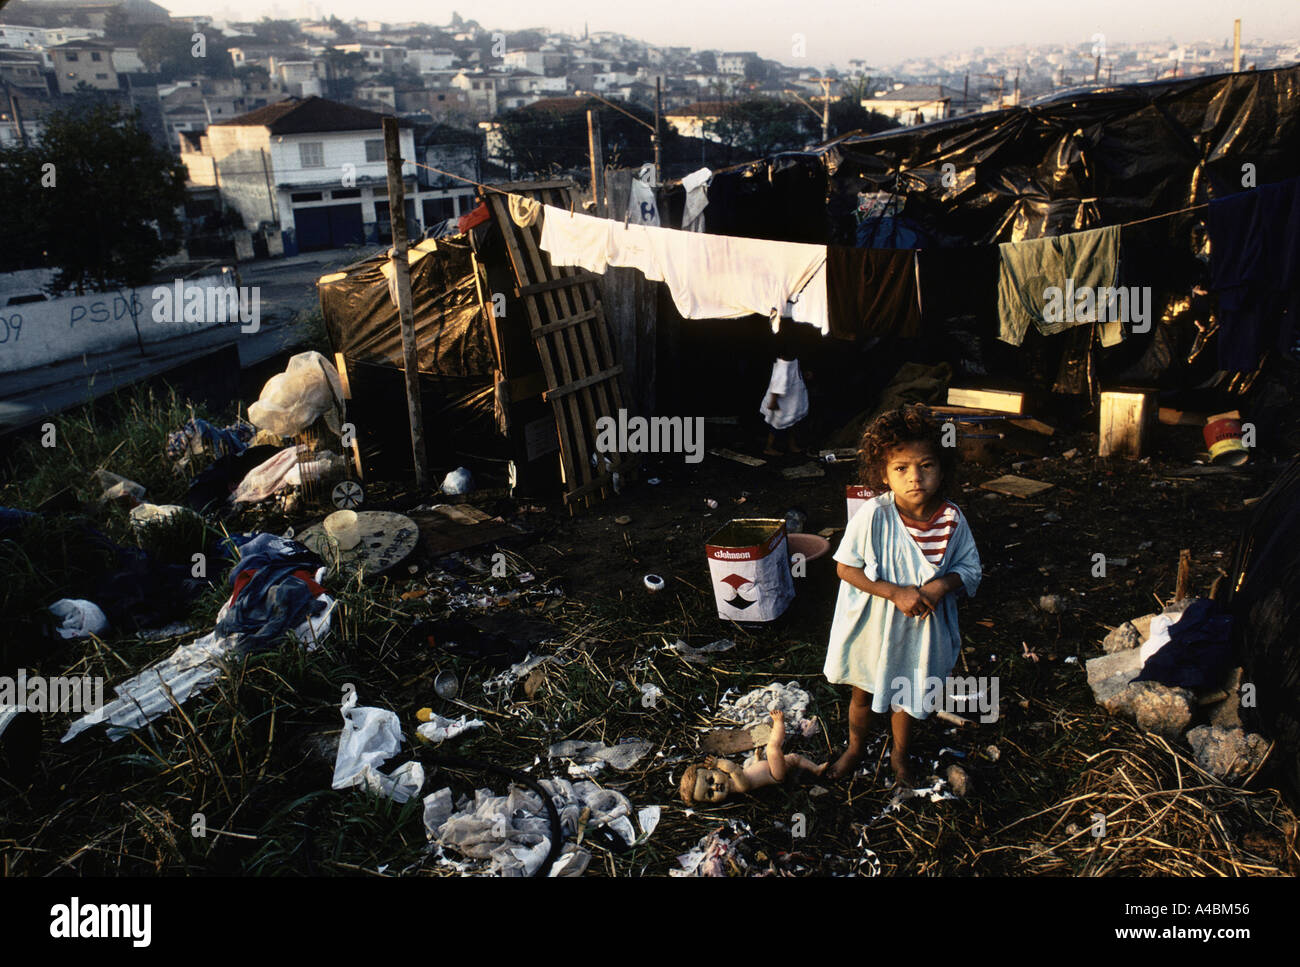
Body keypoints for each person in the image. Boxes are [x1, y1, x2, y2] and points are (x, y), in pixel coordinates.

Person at [822, 404, 981, 786]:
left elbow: (970, 568)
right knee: (862, 693)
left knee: (905, 698)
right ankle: (855, 749)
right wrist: (894, 592)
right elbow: (845, 567)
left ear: (942, 468)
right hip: (874, 625)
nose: (915, 478)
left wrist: (941, 585)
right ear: (883, 473)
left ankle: (899, 758)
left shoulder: (952, 520)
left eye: (926, 465)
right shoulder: (873, 515)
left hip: (919, 631)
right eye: (901, 469)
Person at [679, 709, 826, 804]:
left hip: (768, 768)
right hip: (774, 775)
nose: (715, 787)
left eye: (710, 780)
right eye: (710, 793)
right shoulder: (738, 786)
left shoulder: (733, 781)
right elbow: (735, 771)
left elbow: (750, 772)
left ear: (713, 772)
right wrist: (719, 763)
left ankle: (816, 769)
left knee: (794, 758)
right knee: (773, 748)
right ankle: (779, 724)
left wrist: (757, 760)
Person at [760, 319, 809, 456]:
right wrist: (774, 400)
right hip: (783, 402)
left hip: (792, 400)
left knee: (792, 423)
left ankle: (792, 444)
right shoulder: (783, 365)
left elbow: (794, 374)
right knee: (776, 425)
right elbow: (778, 384)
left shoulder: (793, 361)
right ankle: (769, 447)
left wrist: (803, 374)